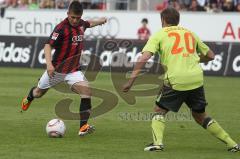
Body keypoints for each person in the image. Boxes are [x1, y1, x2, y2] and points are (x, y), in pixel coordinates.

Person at [123, 7, 239, 152]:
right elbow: (211, 55)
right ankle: (232, 144)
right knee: (200, 115)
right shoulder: (190, 33)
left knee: (159, 110)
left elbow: (144, 57)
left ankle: (158, 144)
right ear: (178, 21)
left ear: (163, 20)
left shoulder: (159, 34)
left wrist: (131, 80)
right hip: (196, 79)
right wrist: (196, 60)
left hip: (176, 80)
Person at [21, 0, 107, 136]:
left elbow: (89, 23)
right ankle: (29, 98)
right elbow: (48, 45)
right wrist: (49, 65)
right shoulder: (61, 28)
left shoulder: (81, 24)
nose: (75, 20)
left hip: (73, 70)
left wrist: (100, 21)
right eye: (72, 17)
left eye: (78, 18)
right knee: (39, 93)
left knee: (87, 92)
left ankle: (83, 127)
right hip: (56, 70)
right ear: (67, 14)